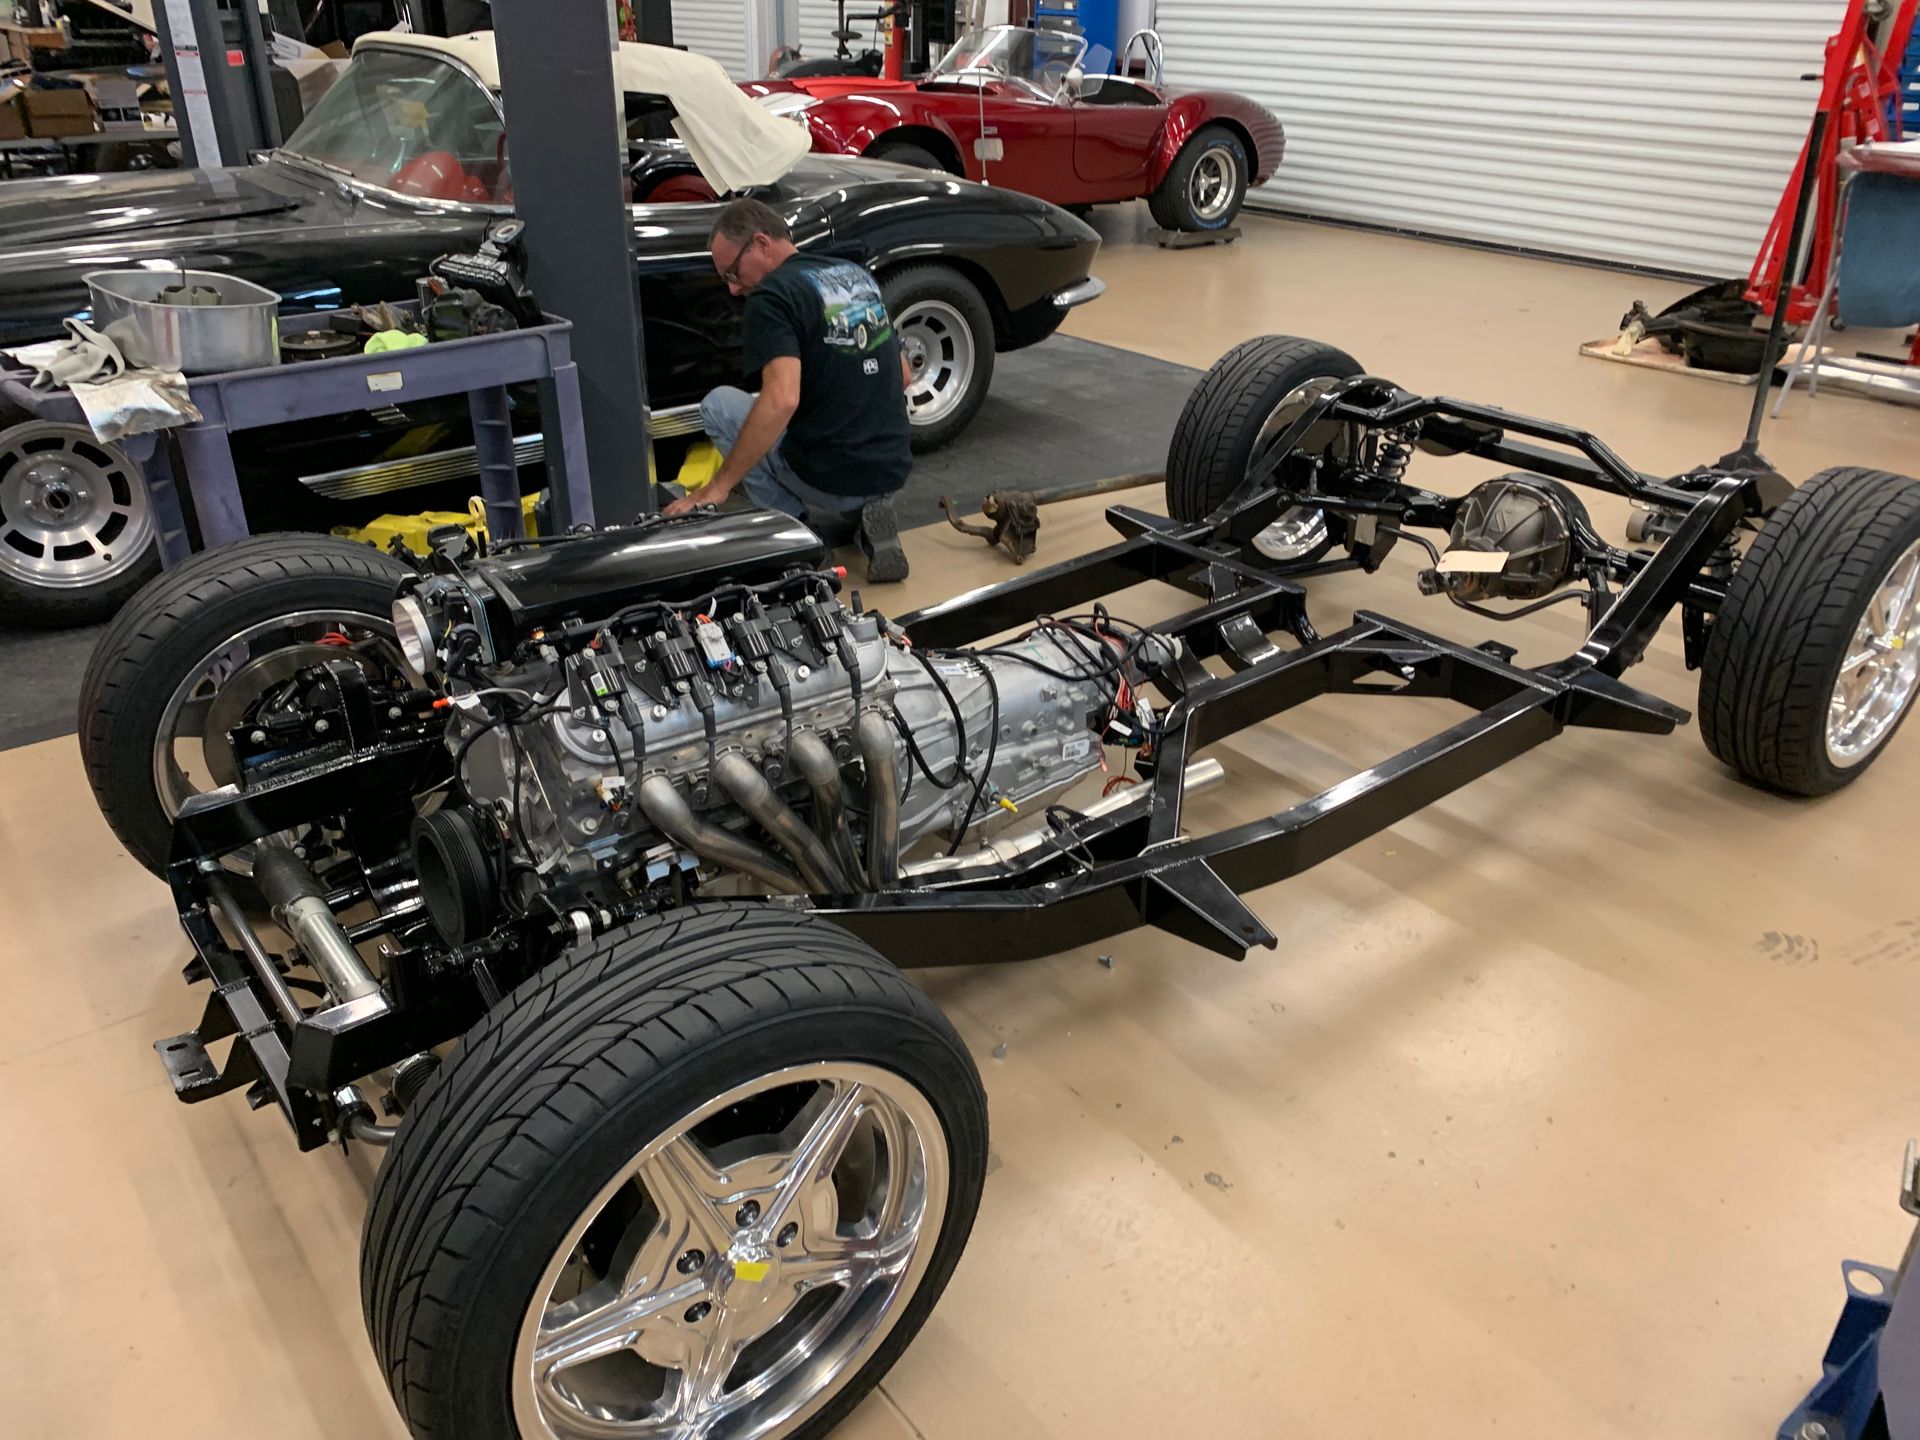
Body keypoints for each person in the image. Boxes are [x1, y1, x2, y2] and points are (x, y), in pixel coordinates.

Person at [664, 197, 914, 582]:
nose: (733, 289)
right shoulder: (854, 275)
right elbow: (903, 376)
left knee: (720, 405)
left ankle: (800, 536)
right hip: (890, 470)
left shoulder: (772, 296)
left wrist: (718, 487)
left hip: (829, 477)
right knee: (788, 403)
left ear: (762, 243)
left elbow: (782, 399)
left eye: (732, 272)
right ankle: (871, 512)